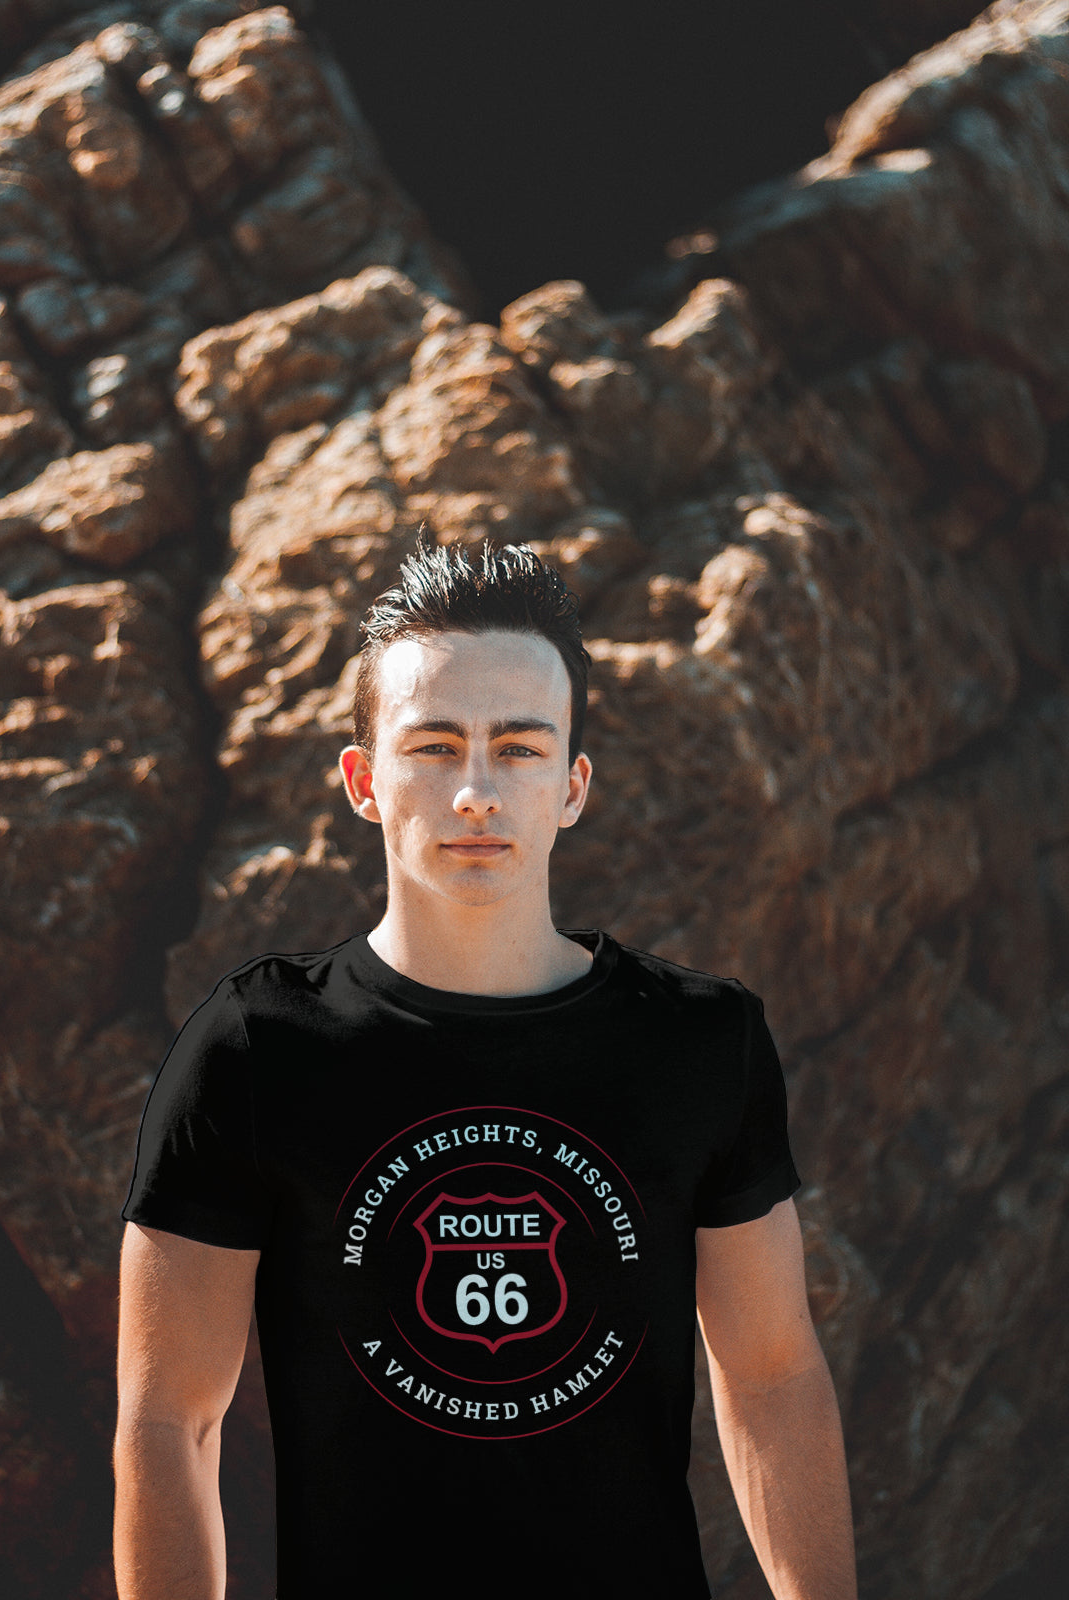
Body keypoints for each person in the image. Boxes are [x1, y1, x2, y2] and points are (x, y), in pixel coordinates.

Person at [114, 537, 858, 1599]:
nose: (476, 791)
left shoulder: (699, 1040)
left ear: (572, 784)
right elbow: (166, 1422)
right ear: (364, 780)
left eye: (518, 747)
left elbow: (774, 1377)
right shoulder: (253, 1049)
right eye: (433, 746)